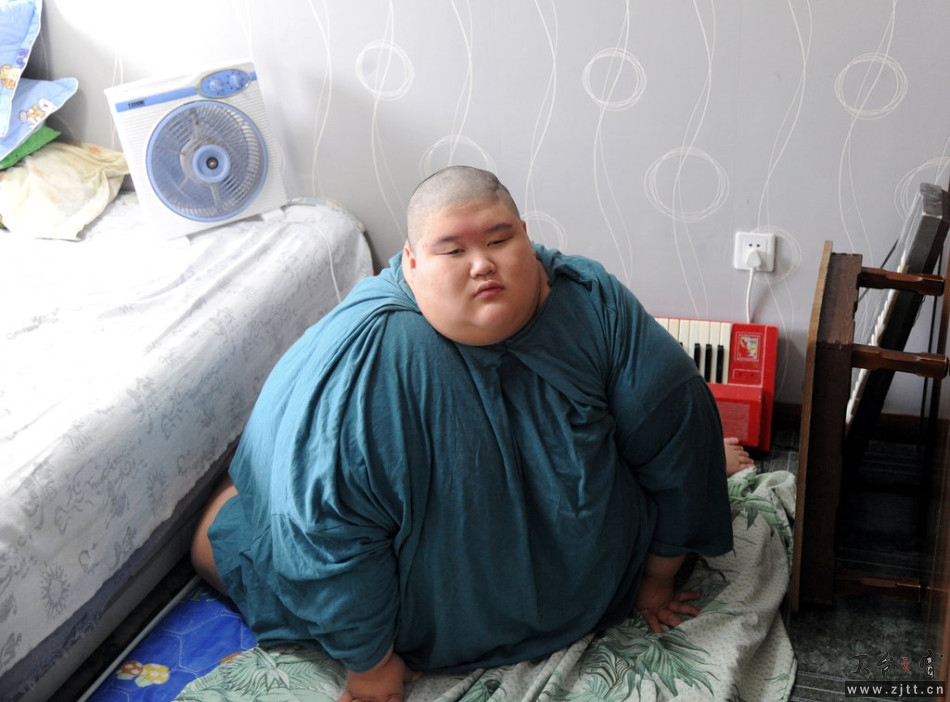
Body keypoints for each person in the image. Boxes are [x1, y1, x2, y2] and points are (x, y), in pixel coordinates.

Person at [191, 165, 735, 702]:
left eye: (498, 240)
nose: (482, 265)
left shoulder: (591, 301)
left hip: (551, 593)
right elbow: (327, 526)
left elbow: (681, 427)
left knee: (220, 528)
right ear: (411, 262)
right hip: (487, 606)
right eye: (452, 251)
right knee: (253, 514)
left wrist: (656, 579)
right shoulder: (374, 354)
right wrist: (372, 663)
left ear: (527, 237)